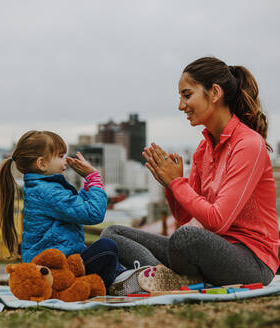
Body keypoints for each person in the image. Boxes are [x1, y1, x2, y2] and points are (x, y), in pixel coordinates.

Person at [101, 57, 279, 291]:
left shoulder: (248, 144)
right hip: (205, 248)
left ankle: (164, 278)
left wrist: (177, 183)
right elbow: (186, 217)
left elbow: (218, 221)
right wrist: (169, 184)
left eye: (187, 95)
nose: (181, 105)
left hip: (252, 261)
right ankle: (164, 277)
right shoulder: (203, 150)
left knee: (185, 238)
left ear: (214, 93)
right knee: (112, 233)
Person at [0, 130, 124, 290]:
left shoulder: (42, 188)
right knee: (107, 248)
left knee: (103, 250)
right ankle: (115, 282)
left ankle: (120, 275)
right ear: (42, 164)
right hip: (56, 273)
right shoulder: (48, 192)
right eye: (60, 156)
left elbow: (77, 207)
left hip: (58, 266)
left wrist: (89, 183)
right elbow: (93, 214)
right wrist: (94, 177)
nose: (66, 161)